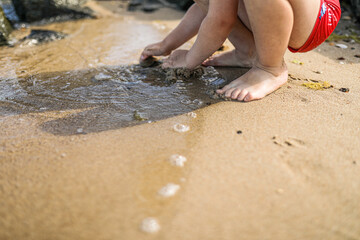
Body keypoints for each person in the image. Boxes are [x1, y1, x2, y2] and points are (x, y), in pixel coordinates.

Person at [140, 0, 341, 102]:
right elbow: (209, 7)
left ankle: (270, 67)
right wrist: (167, 44)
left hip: (318, 15)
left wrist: (191, 58)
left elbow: (221, 20)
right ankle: (249, 52)